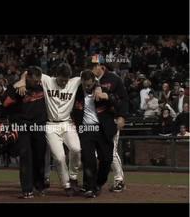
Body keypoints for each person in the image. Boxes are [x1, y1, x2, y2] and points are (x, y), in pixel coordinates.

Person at [15, 63, 81, 196]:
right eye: (61, 79)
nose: (64, 82)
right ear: (56, 75)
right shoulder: (47, 80)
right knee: (59, 157)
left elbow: (90, 76)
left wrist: (97, 88)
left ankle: (73, 177)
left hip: (67, 123)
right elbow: (28, 71)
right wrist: (22, 81)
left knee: (76, 149)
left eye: (66, 80)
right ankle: (66, 185)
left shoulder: (74, 81)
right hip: (50, 125)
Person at [2, 66, 48, 198]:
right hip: (23, 127)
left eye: (39, 80)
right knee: (26, 157)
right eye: (35, 80)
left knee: (39, 157)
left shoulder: (42, 84)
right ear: (28, 78)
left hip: (39, 126)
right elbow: (4, 103)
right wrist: (18, 85)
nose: (38, 83)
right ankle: (27, 189)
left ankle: (39, 186)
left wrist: (23, 77)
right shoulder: (17, 87)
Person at [71, 70, 116, 198]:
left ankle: (98, 184)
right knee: (88, 159)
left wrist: (105, 95)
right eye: (85, 85)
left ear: (94, 82)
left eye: (89, 85)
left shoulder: (102, 90)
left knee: (107, 160)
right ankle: (89, 187)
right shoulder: (76, 92)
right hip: (85, 130)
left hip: (103, 129)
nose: (87, 87)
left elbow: (117, 102)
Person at [87, 59, 128, 193]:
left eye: (94, 66)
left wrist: (122, 116)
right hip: (93, 122)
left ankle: (119, 180)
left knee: (111, 151)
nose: (92, 69)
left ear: (101, 66)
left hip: (110, 120)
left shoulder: (114, 79)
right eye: (90, 67)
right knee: (97, 153)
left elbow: (123, 99)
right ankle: (93, 181)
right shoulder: (88, 79)